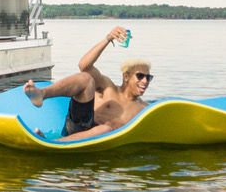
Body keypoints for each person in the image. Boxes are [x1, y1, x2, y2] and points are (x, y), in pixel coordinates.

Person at [22, 26, 151, 141]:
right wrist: (108, 38)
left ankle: (51, 143)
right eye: (140, 76)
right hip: (77, 127)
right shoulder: (108, 88)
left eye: (148, 77)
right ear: (126, 76)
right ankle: (41, 94)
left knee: (106, 129)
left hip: (102, 142)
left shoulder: (144, 110)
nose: (145, 81)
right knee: (86, 78)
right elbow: (84, 65)